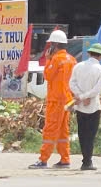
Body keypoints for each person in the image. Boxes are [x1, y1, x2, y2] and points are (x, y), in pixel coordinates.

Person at [31, 29, 76, 169]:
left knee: (50, 130)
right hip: (68, 99)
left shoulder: (56, 59)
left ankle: (43, 159)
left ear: (55, 45)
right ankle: (65, 158)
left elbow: (48, 76)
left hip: (56, 100)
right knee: (63, 131)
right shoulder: (72, 59)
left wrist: (48, 59)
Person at [69, 42, 101, 171]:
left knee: (82, 133)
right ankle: (87, 162)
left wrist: (80, 96)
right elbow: (96, 90)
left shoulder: (78, 66)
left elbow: (71, 84)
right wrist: (85, 97)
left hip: (80, 106)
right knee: (90, 135)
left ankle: (86, 160)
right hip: (93, 106)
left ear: (89, 53)